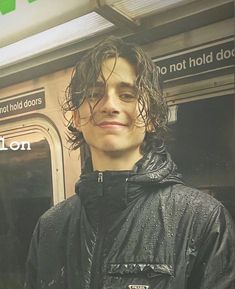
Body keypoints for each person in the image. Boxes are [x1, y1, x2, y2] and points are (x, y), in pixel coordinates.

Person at [24, 37, 235, 289]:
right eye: (94, 94)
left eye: (127, 95)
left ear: (152, 117)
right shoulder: (50, 226)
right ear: (75, 118)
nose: (109, 105)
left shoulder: (201, 219)